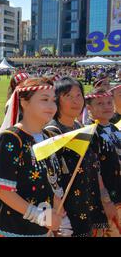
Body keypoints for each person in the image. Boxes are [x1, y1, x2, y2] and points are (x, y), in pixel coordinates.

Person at [0, 77, 70, 237]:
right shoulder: (11, 138)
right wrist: (39, 216)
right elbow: (0, 189)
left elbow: (51, 179)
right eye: (44, 99)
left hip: (42, 230)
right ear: (24, 103)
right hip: (13, 228)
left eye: (53, 101)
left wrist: (58, 213)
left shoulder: (48, 136)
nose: (51, 106)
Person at [45, 78, 108, 237]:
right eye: (68, 96)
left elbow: (94, 166)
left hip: (88, 204)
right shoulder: (51, 132)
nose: (75, 101)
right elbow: (49, 177)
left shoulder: (82, 129)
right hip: (65, 211)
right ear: (57, 99)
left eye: (79, 95)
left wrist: (104, 197)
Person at [85, 88, 121, 237]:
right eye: (100, 103)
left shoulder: (114, 128)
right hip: (104, 200)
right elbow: (94, 170)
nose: (106, 106)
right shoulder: (89, 133)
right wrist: (105, 200)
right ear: (89, 108)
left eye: (108, 102)